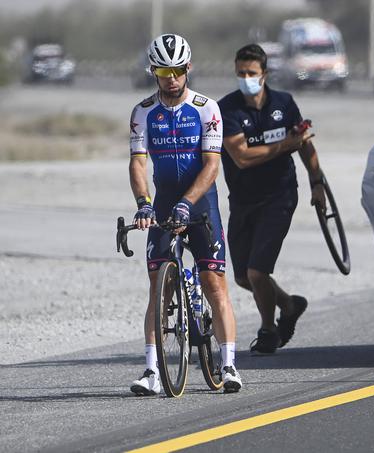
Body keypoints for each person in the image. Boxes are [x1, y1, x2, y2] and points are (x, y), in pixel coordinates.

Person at [128, 34, 241, 395]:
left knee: (213, 283)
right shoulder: (143, 112)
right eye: (163, 71)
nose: (171, 78)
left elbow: (211, 167)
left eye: (177, 70)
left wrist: (187, 203)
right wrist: (144, 203)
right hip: (163, 202)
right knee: (157, 290)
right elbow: (137, 163)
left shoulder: (207, 109)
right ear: (153, 71)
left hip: (201, 202)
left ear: (188, 68)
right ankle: (151, 372)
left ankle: (229, 364)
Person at [218, 43, 325, 354]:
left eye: (251, 73)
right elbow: (242, 157)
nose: (246, 78)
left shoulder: (284, 103)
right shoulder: (228, 109)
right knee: (241, 277)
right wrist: (285, 145)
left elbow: (304, 144)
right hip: (242, 199)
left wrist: (316, 182)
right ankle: (290, 305)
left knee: (257, 272)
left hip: (279, 195)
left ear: (264, 74)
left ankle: (268, 329)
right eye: (240, 73)